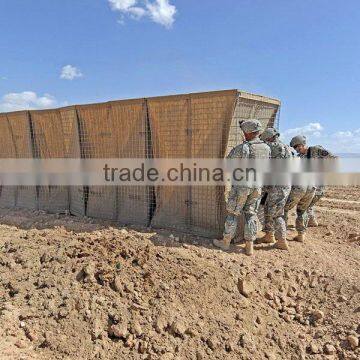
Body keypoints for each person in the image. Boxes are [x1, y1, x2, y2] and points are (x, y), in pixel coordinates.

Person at [213, 119, 270, 256]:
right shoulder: (266, 148)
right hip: (257, 186)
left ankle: (225, 242)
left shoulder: (243, 148)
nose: (243, 134)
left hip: (242, 186)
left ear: (248, 132)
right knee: (251, 214)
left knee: (233, 213)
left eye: (244, 132)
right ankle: (249, 246)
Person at [290, 135, 336, 227]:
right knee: (306, 203)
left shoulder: (315, 150)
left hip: (319, 184)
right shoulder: (301, 157)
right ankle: (311, 221)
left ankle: (308, 223)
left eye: (297, 146)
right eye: (294, 147)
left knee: (306, 204)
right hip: (309, 184)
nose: (296, 149)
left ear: (302, 144)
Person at [259, 128, 293, 250]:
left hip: (279, 185)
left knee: (277, 214)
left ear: (268, 138)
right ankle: (269, 235)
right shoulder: (284, 147)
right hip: (278, 184)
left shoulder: (276, 147)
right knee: (268, 209)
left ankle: (282, 241)